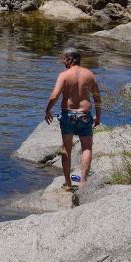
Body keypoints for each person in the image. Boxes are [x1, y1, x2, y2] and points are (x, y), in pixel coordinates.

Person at [44, 48, 102, 190]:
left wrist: (47, 110)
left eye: (64, 59)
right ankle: (83, 183)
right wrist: (98, 116)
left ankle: (68, 183)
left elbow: (54, 96)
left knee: (66, 149)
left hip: (68, 115)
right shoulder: (89, 74)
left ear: (69, 59)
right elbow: (97, 98)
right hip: (84, 115)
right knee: (86, 148)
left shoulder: (64, 75)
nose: (63, 62)